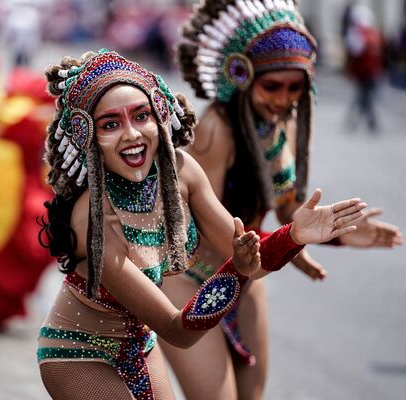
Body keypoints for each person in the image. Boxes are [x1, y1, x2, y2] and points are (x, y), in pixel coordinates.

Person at [36, 49, 367, 400]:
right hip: (76, 353)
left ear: (160, 117)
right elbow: (178, 330)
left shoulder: (182, 171)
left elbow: (250, 261)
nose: (132, 134)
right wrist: (236, 271)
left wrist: (295, 235)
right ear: (87, 137)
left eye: (141, 116)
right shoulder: (92, 218)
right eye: (110, 124)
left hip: (140, 343)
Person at [167, 1, 403, 399]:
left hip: (248, 274)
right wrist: (290, 244)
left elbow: (288, 207)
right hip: (190, 280)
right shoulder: (215, 130)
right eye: (272, 86)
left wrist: (337, 234)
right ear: (243, 77)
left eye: (295, 87)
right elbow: (202, 229)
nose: (284, 99)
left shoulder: (287, 122)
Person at [344, 3, 385, 132]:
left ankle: (359, 121)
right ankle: (364, 122)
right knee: (364, 97)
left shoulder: (358, 34)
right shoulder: (374, 33)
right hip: (372, 71)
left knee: (364, 98)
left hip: (364, 72)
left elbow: (355, 52)